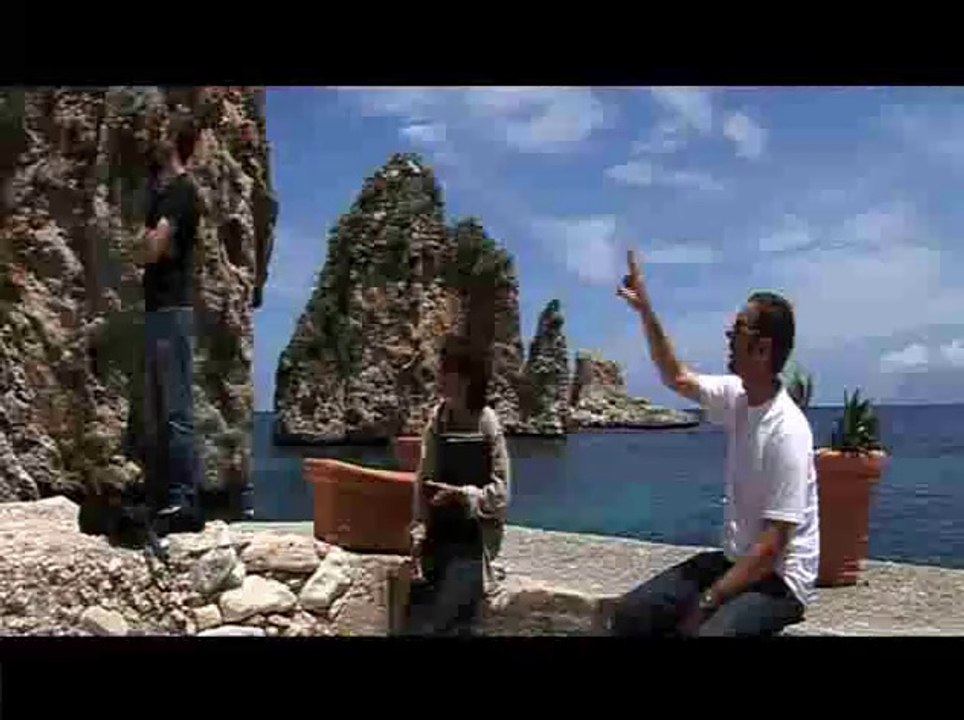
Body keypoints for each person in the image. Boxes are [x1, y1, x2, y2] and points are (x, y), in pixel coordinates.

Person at [609, 249, 819, 637]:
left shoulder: (788, 430)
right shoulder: (736, 396)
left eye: (737, 330)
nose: (727, 337)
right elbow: (677, 376)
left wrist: (709, 600)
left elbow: (772, 545)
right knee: (630, 614)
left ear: (762, 348)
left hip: (778, 581)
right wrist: (645, 311)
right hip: (735, 560)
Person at [401, 334, 511, 636]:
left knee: (451, 614)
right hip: (438, 534)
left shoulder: (487, 422)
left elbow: (500, 495)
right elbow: (423, 478)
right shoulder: (438, 419)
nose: (440, 379)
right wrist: (418, 528)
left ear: (467, 377)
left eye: (447, 372)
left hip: (473, 538)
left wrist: (462, 496)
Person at [138, 116, 209, 534]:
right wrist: (148, 244)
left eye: (162, 132)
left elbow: (151, 249)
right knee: (161, 411)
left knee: (177, 410)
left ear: (174, 142)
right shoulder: (162, 195)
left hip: (172, 310)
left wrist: (148, 243)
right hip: (158, 310)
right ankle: (167, 497)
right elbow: (148, 247)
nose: (154, 137)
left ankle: (185, 501)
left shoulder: (181, 193)